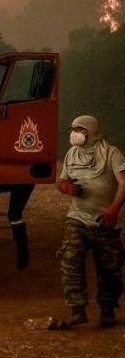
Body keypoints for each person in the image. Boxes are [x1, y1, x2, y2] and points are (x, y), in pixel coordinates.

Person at [56, 115, 125, 327]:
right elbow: (62, 180)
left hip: (104, 220)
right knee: (70, 257)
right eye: (73, 128)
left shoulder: (112, 154)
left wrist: (113, 210)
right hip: (77, 217)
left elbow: (123, 182)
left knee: (109, 267)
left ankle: (107, 308)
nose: (74, 133)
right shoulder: (72, 154)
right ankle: (77, 308)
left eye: (80, 129)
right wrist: (64, 187)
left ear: (92, 131)